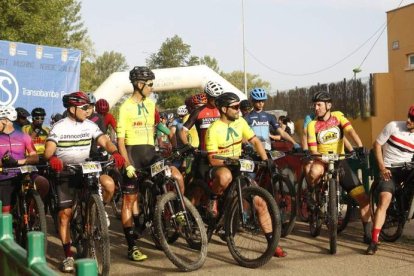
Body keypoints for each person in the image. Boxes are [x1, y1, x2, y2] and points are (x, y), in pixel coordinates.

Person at [44, 91, 125, 272]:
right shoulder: (59, 127)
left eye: (89, 107)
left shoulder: (89, 125)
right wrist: (52, 159)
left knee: (104, 185)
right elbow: (48, 151)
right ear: (72, 109)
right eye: (84, 108)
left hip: (84, 168)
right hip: (64, 171)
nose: (88, 111)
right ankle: (68, 256)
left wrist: (115, 152)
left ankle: (93, 215)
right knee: (64, 214)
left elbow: (104, 140)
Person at [205, 92, 287, 258]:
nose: (238, 110)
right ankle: (213, 199)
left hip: (238, 166)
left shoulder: (240, 121)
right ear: (223, 109)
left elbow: (255, 141)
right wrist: (229, 162)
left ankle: (272, 244)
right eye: (235, 107)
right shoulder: (213, 129)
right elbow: (212, 159)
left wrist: (266, 160)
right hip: (221, 165)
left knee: (261, 203)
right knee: (225, 177)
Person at [117, 66, 184, 262]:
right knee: (130, 200)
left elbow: (157, 125)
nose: (152, 88)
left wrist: (170, 136)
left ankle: (176, 211)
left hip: (151, 152)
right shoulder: (125, 107)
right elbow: (120, 140)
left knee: (175, 175)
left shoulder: (150, 104)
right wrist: (126, 163)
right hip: (133, 154)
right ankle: (132, 247)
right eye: (150, 85)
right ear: (139, 85)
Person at [306, 91, 372, 244]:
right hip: (321, 160)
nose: (316, 108)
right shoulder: (312, 125)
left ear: (328, 105)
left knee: (363, 198)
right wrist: (319, 156)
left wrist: (360, 146)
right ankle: (312, 194)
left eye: (319, 104)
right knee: (314, 171)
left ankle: (367, 233)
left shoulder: (338, 117)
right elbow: (313, 149)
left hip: (339, 161)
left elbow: (350, 131)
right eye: (314, 105)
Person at [366, 105, 414, 255]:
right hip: (390, 170)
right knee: (385, 199)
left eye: (412, 119)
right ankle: (374, 240)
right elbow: (377, 144)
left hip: (408, 170)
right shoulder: (393, 126)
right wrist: (382, 167)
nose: (408, 120)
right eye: (408, 116)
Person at [0, 105, 49, 214]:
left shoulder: (23, 136)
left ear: (5, 121)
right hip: (4, 176)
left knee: (43, 183)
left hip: (23, 172)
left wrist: (19, 162)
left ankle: (33, 209)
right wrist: (3, 163)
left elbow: (34, 157)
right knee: (5, 212)